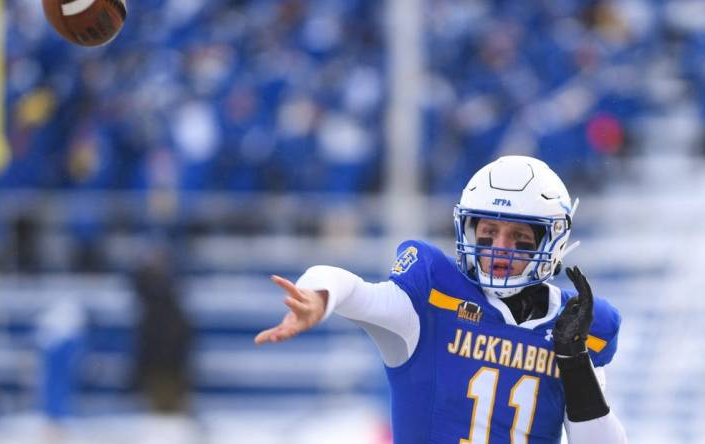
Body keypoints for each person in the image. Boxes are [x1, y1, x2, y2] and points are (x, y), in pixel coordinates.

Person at [255, 155, 627, 443]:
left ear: (553, 242)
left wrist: (575, 362)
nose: (500, 249)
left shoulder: (571, 326)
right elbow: (352, 288)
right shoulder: (432, 303)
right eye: (489, 233)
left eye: (520, 238)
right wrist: (319, 295)